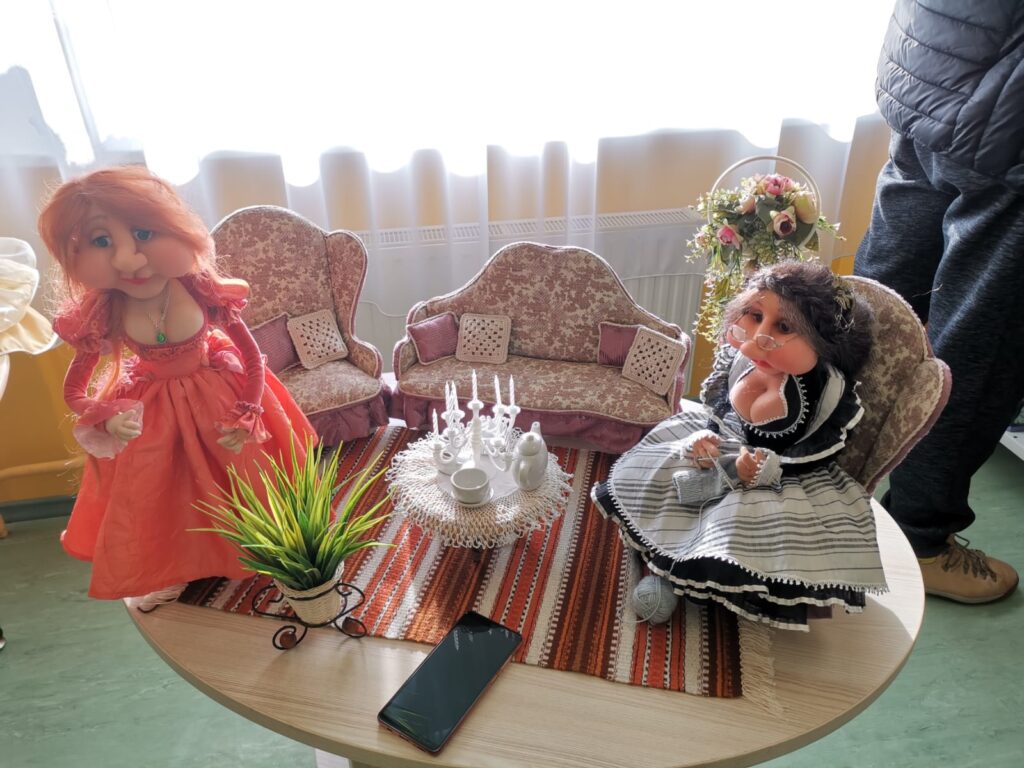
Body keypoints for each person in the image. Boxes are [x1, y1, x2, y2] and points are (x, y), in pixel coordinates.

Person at [38, 166, 317, 607]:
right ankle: (172, 568)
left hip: (219, 399)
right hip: (152, 413)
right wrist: (107, 416)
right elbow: (75, 391)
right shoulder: (103, 312)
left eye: (143, 233)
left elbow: (252, 357)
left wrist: (248, 410)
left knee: (248, 479)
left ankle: (277, 554)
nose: (128, 260)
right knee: (164, 495)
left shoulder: (201, 288)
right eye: (101, 241)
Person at [593, 262, 886, 630]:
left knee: (734, 527)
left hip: (782, 475)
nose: (758, 337)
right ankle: (662, 557)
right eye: (755, 315)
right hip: (728, 446)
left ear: (822, 341)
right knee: (661, 475)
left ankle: (700, 579)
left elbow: (815, 451)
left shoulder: (823, 391)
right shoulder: (742, 360)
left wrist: (765, 468)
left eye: (784, 327)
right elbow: (723, 411)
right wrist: (709, 435)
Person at [854, 0, 1022, 603]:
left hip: (929, 67)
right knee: (979, 344)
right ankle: (919, 538)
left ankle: (816, 485)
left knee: (880, 306)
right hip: (1010, 119)